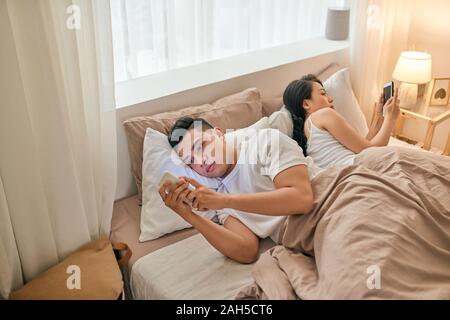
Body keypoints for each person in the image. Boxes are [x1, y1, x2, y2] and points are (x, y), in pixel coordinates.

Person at [159, 117, 318, 263]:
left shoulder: (264, 142)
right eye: (191, 160)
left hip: (329, 204)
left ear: (219, 134)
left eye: (201, 146)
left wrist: (225, 202)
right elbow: (247, 251)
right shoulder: (219, 198)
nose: (201, 160)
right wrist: (189, 215)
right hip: (306, 240)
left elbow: (301, 199)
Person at [283, 74, 400, 169]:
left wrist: (380, 116)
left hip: (351, 169)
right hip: (356, 169)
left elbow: (362, 147)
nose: (330, 99)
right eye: (323, 93)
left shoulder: (307, 131)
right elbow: (370, 151)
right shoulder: (323, 114)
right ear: (306, 104)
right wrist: (391, 118)